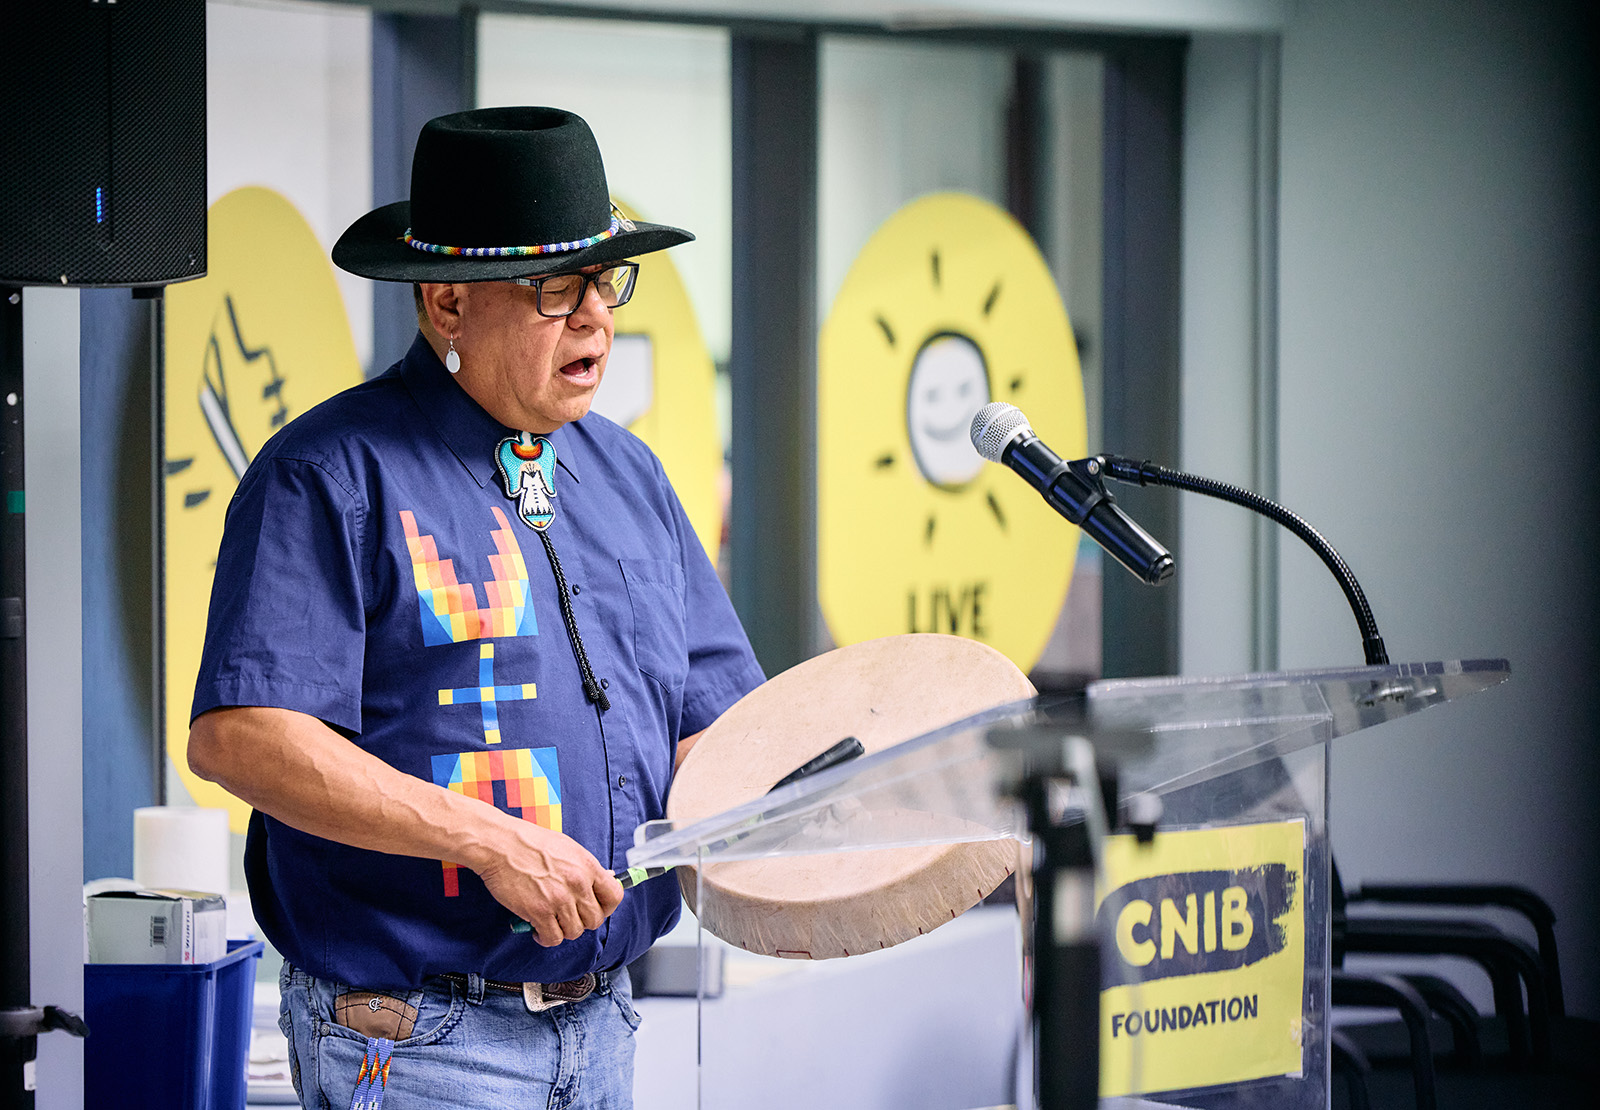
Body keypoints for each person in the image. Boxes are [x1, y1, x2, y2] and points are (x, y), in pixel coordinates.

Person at [187, 106, 765, 1110]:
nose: (595, 315)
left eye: (605, 280)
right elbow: (243, 739)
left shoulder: (633, 477)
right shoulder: (329, 476)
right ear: (447, 303)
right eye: (555, 287)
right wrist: (490, 839)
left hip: (605, 1023)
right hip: (420, 1044)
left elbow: (718, 727)